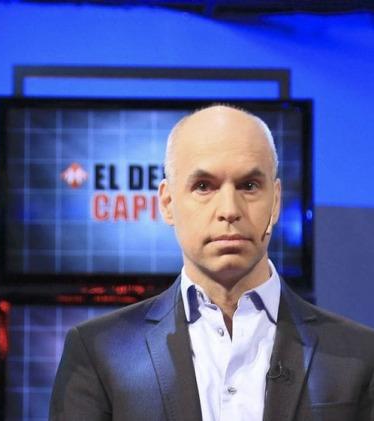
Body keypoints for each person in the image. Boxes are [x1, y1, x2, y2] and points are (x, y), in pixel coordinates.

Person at [49, 105, 374, 420]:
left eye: (249, 186)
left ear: (275, 201)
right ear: (168, 203)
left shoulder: (361, 355)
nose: (229, 210)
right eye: (203, 187)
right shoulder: (98, 352)